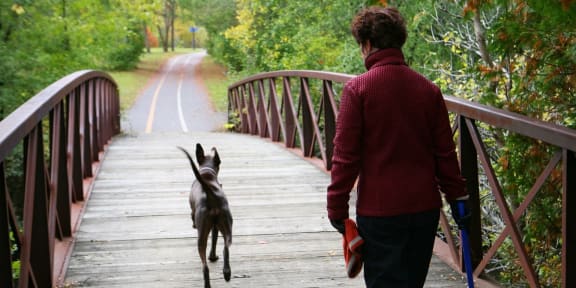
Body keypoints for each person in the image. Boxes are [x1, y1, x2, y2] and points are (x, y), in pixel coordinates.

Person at [326, 6, 470, 288]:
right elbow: (445, 155)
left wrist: (336, 207)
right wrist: (458, 197)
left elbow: (345, 157)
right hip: (423, 211)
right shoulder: (428, 90)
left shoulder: (358, 90)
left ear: (367, 44)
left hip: (380, 214)